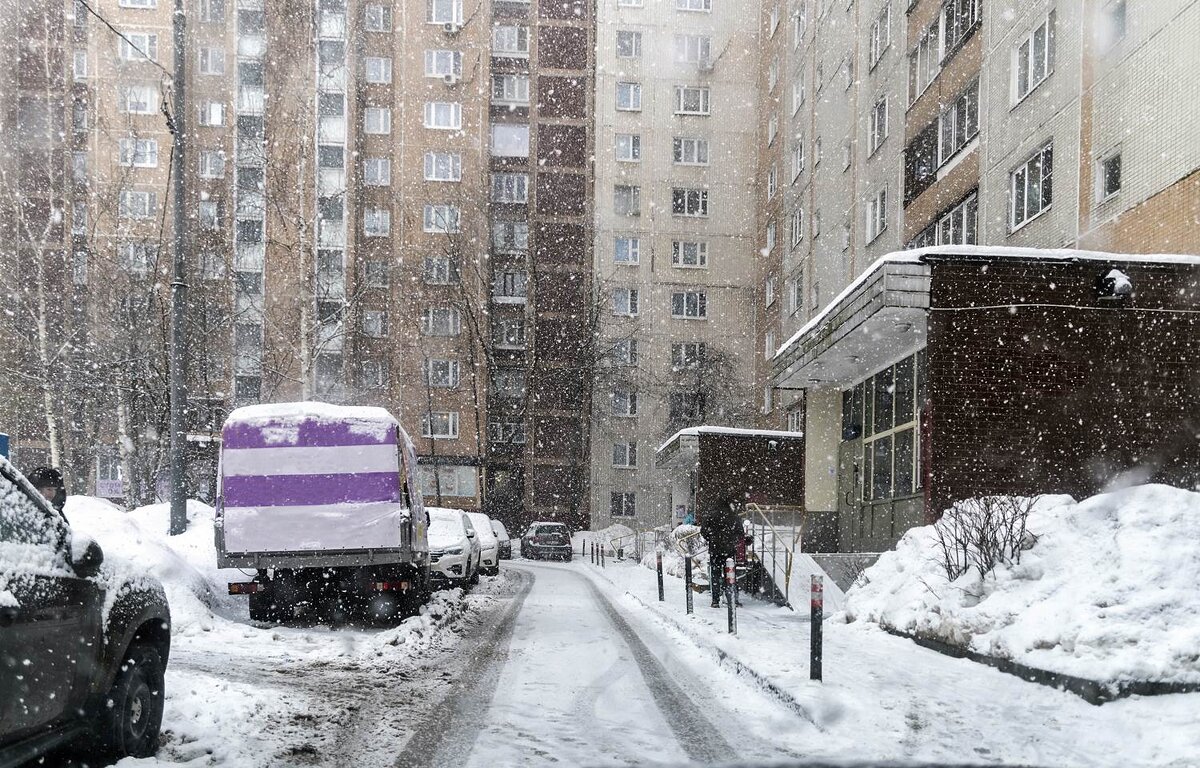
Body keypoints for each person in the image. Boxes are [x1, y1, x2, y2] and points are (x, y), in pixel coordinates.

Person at [700, 496, 742, 608]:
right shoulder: (733, 516)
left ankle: (715, 600)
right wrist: (732, 540)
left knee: (715, 574)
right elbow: (740, 532)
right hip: (729, 550)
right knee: (731, 574)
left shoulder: (711, 515)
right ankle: (732, 598)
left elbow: (703, 531)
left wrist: (711, 538)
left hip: (715, 549)